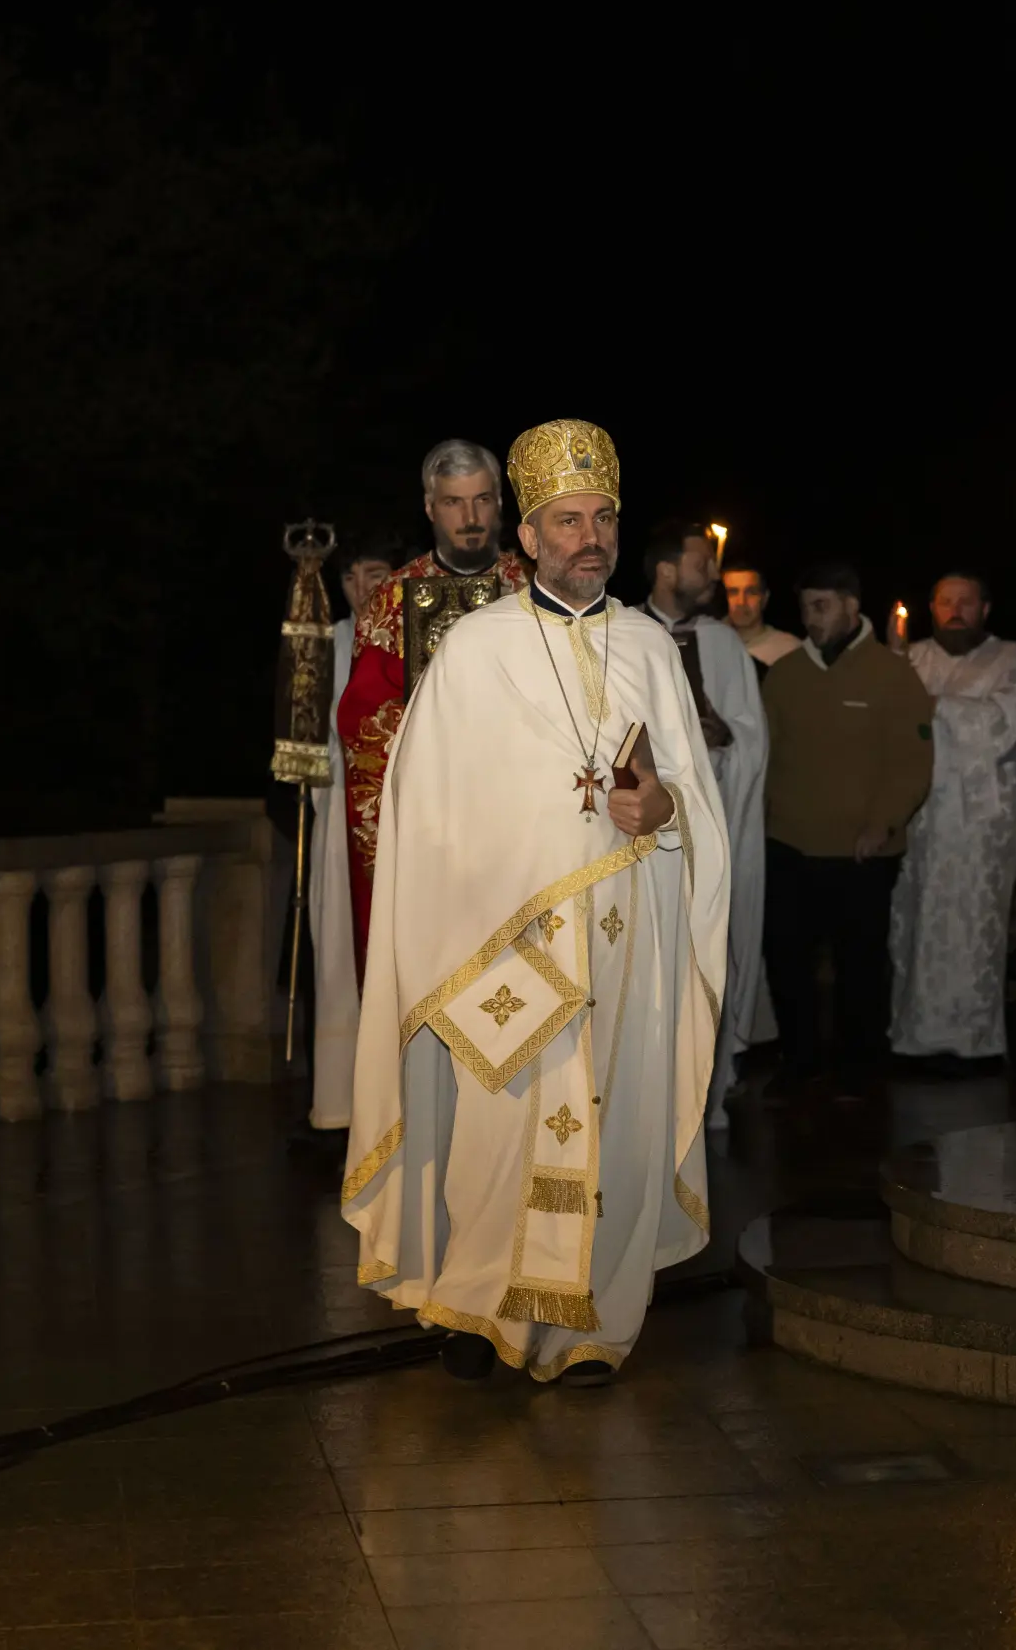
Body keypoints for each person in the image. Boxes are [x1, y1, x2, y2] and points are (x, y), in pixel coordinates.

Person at [341, 419, 730, 1387]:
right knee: (498, 1129)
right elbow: (425, 804)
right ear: (527, 535)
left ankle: (596, 1323)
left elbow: (690, 790)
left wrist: (662, 807)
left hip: (629, 934)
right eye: (566, 520)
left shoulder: (649, 645)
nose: (588, 537)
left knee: (618, 1122)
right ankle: (478, 1311)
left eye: (602, 518)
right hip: (505, 939)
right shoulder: (476, 649)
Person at [334, 440, 531, 973]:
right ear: (429, 507)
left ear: (499, 503)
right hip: (433, 828)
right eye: (453, 503)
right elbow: (365, 730)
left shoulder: (535, 590)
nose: (470, 518)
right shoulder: (391, 601)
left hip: (527, 823)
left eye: (482, 500)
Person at [760, 561, 934, 1091]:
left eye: (822, 606)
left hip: (863, 850)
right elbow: (764, 755)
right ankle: (799, 1061)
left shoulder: (893, 674)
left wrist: (882, 824)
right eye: (805, 607)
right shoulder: (785, 674)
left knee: (860, 964)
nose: (811, 618)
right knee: (787, 959)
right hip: (789, 844)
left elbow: (912, 763)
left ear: (852, 606)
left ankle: (860, 1068)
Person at [638, 523, 769, 1130]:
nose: (712, 575)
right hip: (645, 833)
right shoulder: (625, 633)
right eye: (700, 565)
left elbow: (753, 735)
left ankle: (710, 1095)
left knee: (709, 953)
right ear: (667, 571)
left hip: (712, 819)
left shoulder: (723, 644)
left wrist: (725, 736)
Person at [889, 570, 1016, 1067]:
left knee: (976, 930)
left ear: (985, 609)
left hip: (981, 825)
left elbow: (1005, 725)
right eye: (945, 601)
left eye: (965, 601)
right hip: (920, 819)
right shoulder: (908, 659)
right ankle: (912, 1038)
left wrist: (931, 707)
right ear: (931, 608)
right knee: (915, 925)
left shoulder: (1014, 659)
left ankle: (975, 1042)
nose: (955, 610)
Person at [304, 526, 417, 1138]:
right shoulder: (328, 641)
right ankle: (344, 1103)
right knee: (342, 949)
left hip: (404, 810)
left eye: (373, 574)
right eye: (349, 577)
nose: (360, 588)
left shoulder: (415, 632)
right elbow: (312, 732)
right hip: (342, 812)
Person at [722, 566, 802, 668]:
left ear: (765, 598)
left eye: (751, 592)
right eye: (733, 592)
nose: (741, 602)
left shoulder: (789, 650)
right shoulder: (708, 642)